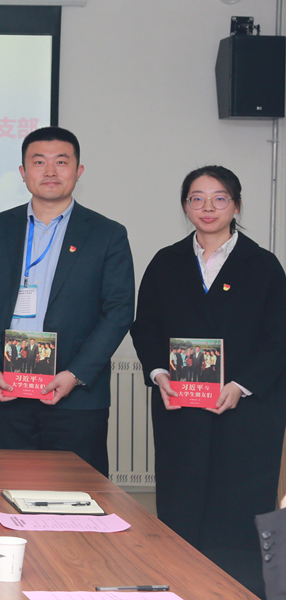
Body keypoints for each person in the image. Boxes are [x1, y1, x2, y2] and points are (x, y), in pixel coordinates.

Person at [131, 165, 286, 596]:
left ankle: (239, 591)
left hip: (247, 413)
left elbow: (279, 338)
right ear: (185, 206)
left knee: (237, 514)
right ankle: (178, 587)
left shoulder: (264, 265)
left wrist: (241, 385)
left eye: (219, 198)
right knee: (181, 510)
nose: (207, 207)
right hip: (181, 409)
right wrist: (159, 373)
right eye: (196, 198)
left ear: (236, 205)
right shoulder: (166, 262)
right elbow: (146, 328)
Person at [0, 126, 134, 477]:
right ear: (23, 172)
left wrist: (75, 374)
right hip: (7, 386)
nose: (50, 171)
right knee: (9, 488)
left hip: (76, 395)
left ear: (78, 171)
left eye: (61, 161)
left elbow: (118, 311)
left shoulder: (107, 233)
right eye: (39, 162)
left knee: (77, 493)